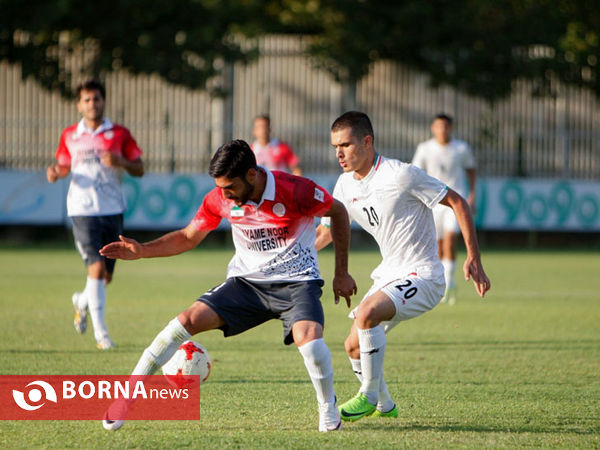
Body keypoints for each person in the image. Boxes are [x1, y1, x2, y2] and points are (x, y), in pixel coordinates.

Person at [99, 139, 357, 432]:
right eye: (220, 188)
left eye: (229, 187)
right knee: (184, 321)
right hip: (246, 284)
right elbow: (188, 236)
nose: (225, 195)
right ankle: (127, 400)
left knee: (309, 341)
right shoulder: (220, 198)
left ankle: (328, 409)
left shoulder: (296, 189)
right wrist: (143, 250)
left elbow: (338, 212)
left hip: (298, 282)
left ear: (251, 175)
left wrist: (341, 273)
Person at [315, 111, 490, 421]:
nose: (339, 153)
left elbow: (458, 202)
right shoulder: (343, 185)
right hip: (389, 274)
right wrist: (295, 251)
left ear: (367, 142)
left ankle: (367, 396)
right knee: (353, 347)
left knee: (367, 314)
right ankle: (385, 405)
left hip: (424, 274)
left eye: (345, 145)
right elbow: (327, 231)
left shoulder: (401, 174)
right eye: (334, 147)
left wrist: (473, 257)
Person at [46, 79, 144, 350]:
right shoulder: (69, 135)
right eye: (87, 99)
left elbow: (140, 167)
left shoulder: (119, 133)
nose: (92, 104)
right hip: (82, 210)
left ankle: (81, 300)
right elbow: (64, 165)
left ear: (104, 101)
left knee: (105, 277)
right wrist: (56, 172)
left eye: (96, 99)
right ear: (79, 104)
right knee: (97, 269)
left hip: (112, 210)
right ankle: (102, 335)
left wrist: (121, 161)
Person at [412, 114, 476, 304]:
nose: (442, 130)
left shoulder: (461, 148)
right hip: (432, 202)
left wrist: (472, 194)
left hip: (454, 201)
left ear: (451, 128)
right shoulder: (424, 149)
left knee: (450, 239)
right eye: (439, 126)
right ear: (433, 128)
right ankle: (441, 282)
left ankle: (449, 281)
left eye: (446, 126)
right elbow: (415, 173)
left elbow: (471, 170)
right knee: (437, 245)